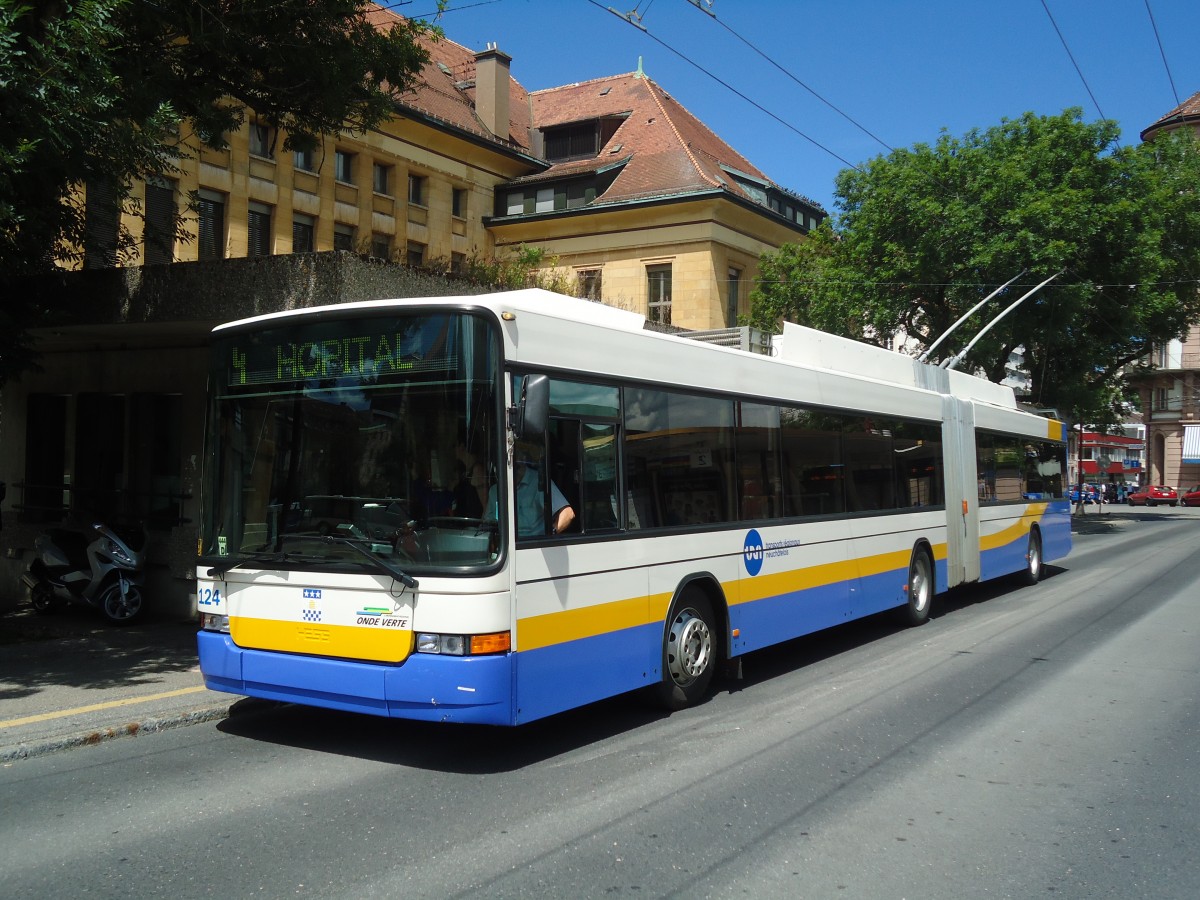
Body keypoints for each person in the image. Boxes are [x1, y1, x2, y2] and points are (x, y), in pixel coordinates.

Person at [486, 444, 575, 538]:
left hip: (533, 545)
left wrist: (549, 536)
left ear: (523, 459)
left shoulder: (539, 482)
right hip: (505, 546)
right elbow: (486, 524)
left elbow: (568, 513)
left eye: (517, 465)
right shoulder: (495, 490)